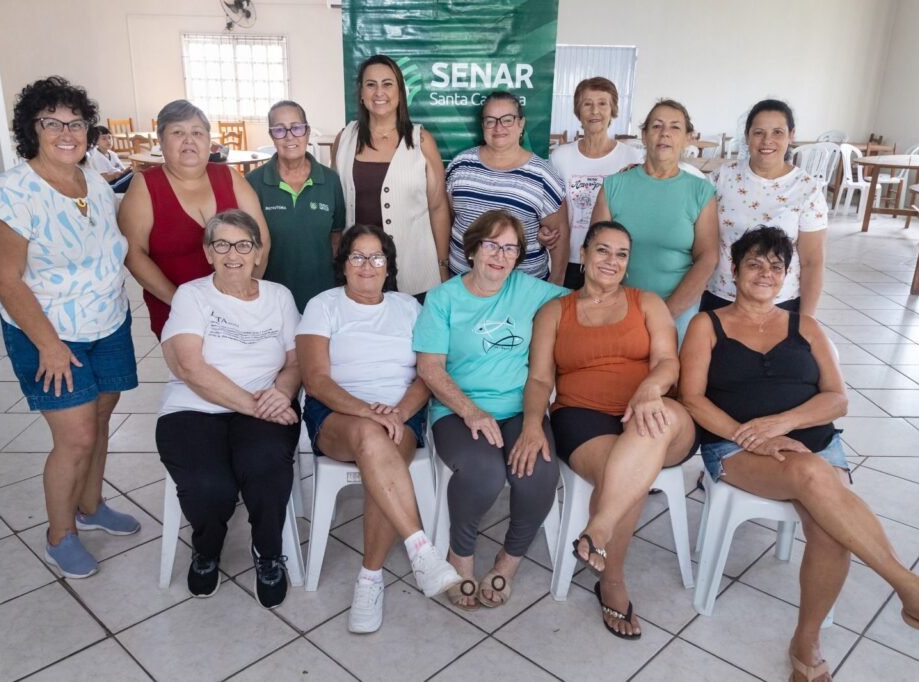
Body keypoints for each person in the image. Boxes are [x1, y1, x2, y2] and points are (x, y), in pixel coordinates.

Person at [680, 226, 919, 680]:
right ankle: (911, 590)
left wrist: (783, 423)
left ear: (786, 277)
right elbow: (693, 398)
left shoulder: (807, 326)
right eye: (754, 263)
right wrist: (751, 434)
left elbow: (837, 399)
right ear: (734, 270)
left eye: (775, 266)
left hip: (814, 441)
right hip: (735, 447)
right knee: (811, 474)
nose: (765, 273)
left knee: (828, 525)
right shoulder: (708, 324)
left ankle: (807, 639)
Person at [0, 76, 140, 579]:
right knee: (74, 435)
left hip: (109, 321)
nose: (66, 132)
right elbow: (3, 279)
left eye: (76, 123)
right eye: (53, 123)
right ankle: (59, 534)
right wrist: (48, 345)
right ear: (33, 129)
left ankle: (91, 506)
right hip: (49, 333)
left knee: (100, 418)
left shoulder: (91, 179)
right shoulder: (13, 192)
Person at [516, 220, 697, 639]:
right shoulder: (554, 312)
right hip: (582, 417)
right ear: (584, 254)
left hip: (654, 414)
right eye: (602, 251)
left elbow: (669, 362)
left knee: (651, 430)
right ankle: (611, 581)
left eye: (621, 254)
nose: (611, 261)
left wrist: (650, 390)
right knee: (626, 470)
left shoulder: (647, 303)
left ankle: (599, 528)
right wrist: (531, 423)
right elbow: (541, 380)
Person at [296, 223, 462, 633]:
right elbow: (315, 379)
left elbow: (428, 372)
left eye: (376, 257)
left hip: (399, 417)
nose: (367, 266)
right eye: (357, 256)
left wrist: (400, 413)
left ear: (389, 266)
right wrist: (370, 413)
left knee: (378, 453)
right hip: (336, 414)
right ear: (343, 265)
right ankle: (420, 548)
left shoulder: (409, 307)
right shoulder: (323, 305)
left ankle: (370, 579)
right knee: (372, 438)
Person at [414, 209, 567, 610]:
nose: (500, 256)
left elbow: (589, 301)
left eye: (511, 249)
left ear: (519, 257)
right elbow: (429, 367)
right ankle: (460, 556)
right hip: (457, 409)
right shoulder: (443, 297)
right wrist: (470, 411)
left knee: (538, 471)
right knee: (484, 472)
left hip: (519, 407)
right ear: (473, 248)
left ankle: (509, 560)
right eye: (492, 245)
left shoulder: (531, 290)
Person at [155, 209, 300, 607]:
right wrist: (256, 406)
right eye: (221, 244)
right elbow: (189, 366)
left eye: (243, 245)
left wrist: (284, 391)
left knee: (266, 469)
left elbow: (297, 359)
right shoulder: (192, 295)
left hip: (267, 405)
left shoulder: (279, 297)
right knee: (209, 486)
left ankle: (268, 554)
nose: (232, 254)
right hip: (194, 408)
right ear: (208, 253)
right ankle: (206, 549)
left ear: (257, 253)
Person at [119, 99, 270, 338]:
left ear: (209, 141)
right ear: (161, 141)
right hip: (176, 310)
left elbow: (261, 239)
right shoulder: (146, 186)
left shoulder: (230, 177)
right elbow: (133, 253)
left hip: (237, 308)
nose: (189, 140)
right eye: (178, 132)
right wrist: (182, 302)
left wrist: (243, 293)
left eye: (197, 132)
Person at [592, 98, 718, 340]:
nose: (665, 134)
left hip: (678, 310)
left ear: (688, 137)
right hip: (617, 307)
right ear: (644, 134)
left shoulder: (701, 191)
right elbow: (596, 252)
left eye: (675, 127)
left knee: (671, 375)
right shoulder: (614, 185)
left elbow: (707, 258)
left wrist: (665, 314)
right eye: (657, 126)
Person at [333, 54, 451, 296]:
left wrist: (442, 264)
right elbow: (336, 207)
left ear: (400, 92)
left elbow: (438, 208)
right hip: (359, 271)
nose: (379, 92)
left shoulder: (421, 140)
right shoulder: (344, 139)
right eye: (371, 84)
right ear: (361, 93)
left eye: (387, 84)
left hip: (415, 270)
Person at [704, 99, 827, 315]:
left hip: (780, 304)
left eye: (777, 132)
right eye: (759, 132)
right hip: (721, 298)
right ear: (747, 136)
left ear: (791, 135)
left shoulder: (807, 189)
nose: (767, 141)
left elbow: (812, 261)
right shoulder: (722, 178)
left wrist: (806, 321)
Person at [447, 91, 569, 284]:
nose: (498, 127)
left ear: (521, 123)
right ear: (483, 125)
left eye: (507, 119)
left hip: (522, 291)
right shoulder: (460, 165)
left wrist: (555, 287)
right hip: (462, 284)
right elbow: (449, 218)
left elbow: (559, 235)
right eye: (490, 120)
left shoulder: (543, 175)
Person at [247, 100, 345, 312]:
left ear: (307, 132)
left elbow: (336, 238)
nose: (290, 136)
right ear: (272, 135)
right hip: (270, 298)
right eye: (280, 130)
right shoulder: (253, 183)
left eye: (297, 127)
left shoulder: (330, 181)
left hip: (321, 295)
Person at [549, 78, 642, 289]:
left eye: (602, 103)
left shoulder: (632, 157)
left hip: (611, 262)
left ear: (613, 110)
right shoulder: (560, 156)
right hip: (570, 258)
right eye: (587, 104)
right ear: (578, 111)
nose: (594, 111)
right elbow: (553, 209)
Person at [87, 125, 132, 193]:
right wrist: (115, 175)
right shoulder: (97, 157)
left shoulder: (113, 154)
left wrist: (128, 170)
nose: (108, 141)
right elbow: (104, 178)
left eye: (109, 137)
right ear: (95, 141)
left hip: (119, 179)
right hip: (110, 186)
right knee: (135, 175)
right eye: (104, 138)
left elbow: (122, 171)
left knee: (136, 171)